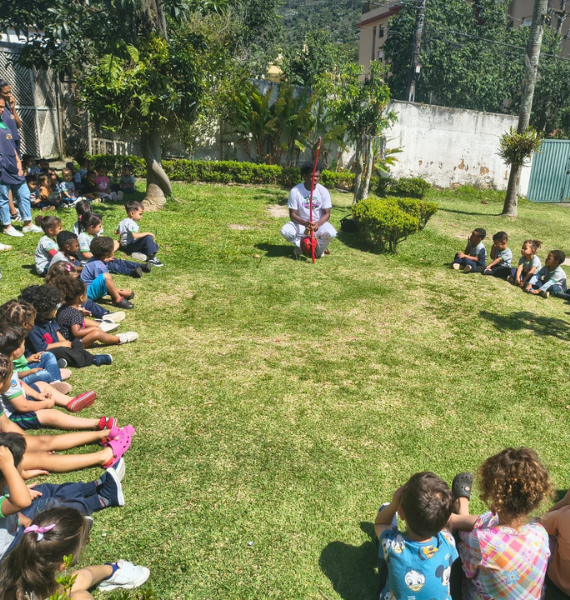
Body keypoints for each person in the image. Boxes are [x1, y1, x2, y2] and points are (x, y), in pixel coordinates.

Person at [0, 437, 126, 562]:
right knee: (49, 505)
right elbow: (23, 502)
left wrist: (23, 519)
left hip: (14, 521)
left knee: (43, 490)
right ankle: (102, 500)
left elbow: (19, 503)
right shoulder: (8, 475)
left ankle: (93, 486)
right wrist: (8, 466)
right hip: (12, 547)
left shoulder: (4, 485)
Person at [449, 447, 551, 599]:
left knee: (456, 542)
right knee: (491, 524)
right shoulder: (540, 532)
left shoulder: (481, 540)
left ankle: (459, 512)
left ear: (495, 500)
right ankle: (460, 511)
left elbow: (468, 570)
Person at [0, 507, 150, 598]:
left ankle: (112, 570)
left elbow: (67, 586)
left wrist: (109, 570)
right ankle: (112, 570)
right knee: (81, 597)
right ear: (62, 565)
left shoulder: (12, 571)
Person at [374, 472, 457, 600]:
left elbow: (381, 523)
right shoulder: (448, 542)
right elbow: (447, 529)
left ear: (401, 513)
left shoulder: (393, 547)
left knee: (385, 528)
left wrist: (394, 504)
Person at [19, 285, 113, 368]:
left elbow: (57, 332)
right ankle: (92, 359)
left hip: (57, 347)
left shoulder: (49, 320)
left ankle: (64, 360)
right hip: (43, 354)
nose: (56, 310)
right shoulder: (33, 328)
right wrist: (62, 344)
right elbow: (42, 348)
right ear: (43, 310)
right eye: (53, 308)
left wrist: (65, 342)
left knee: (76, 344)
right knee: (62, 351)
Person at [0, 96, 42, 238]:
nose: (1, 110)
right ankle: (7, 226)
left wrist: (18, 161)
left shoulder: (4, 123)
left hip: (13, 164)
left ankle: (27, 223)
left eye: (2, 107)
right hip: (2, 167)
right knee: (3, 197)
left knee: (23, 193)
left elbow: (11, 144)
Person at [56, 277, 137, 348]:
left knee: (85, 323)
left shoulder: (64, 308)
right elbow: (77, 332)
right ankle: (120, 339)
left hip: (62, 340)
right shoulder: (74, 313)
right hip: (71, 344)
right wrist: (94, 328)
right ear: (81, 298)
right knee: (97, 333)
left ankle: (102, 325)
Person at [281, 164, 336, 258]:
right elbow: (292, 214)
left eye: (317, 176)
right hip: (301, 225)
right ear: (304, 176)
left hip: (318, 226)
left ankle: (317, 248)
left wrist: (317, 224)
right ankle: (301, 246)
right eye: (312, 176)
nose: (315, 179)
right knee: (286, 231)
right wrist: (305, 223)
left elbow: (327, 214)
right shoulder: (295, 191)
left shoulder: (323, 191)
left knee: (331, 233)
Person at [0, 321, 71, 392]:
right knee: (44, 374)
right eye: (23, 344)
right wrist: (31, 371)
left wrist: (29, 359)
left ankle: (56, 381)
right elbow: (15, 375)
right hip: (22, 378)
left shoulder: (10, 354)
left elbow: (19, 364)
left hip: (26, 368)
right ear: (17, 351)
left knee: (48, 355)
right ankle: (54, 374)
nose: (24, 346)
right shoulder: (5, 364)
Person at [45, 263, 125, 323]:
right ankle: (100, 323)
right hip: (62, 315)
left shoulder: (64, 288)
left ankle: (106, 314)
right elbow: (58, 309)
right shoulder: (52, 292)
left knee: (87, 302)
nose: (75, 280)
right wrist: (75, 309)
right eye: (72, 278)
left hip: (69, 310)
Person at [80, 237, 136, 309]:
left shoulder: (95, 259)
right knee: (106, 277)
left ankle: (117, 293)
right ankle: (118, 299)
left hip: (88, 289)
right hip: (88, 294)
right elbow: (103, 285)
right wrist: (118, 292)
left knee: (106, 279)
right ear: (107, 254)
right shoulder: (98, 266)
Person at [541, 473, 570, 597]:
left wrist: (565, 501)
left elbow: (541, 523)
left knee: (541, 536)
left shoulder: (565, 515)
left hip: (560, 582)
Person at [117, 200, 164, 266]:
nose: (141, 216)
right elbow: (135, 235)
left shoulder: (122, 222)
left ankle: (137, 254)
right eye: (140, 214)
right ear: (132, 214)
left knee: (154, 246)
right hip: (130, 246)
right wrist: (147, 233)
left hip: (124, 246)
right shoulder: (131, 223)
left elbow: (116, 232)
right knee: (148, 238)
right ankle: (152, 258)